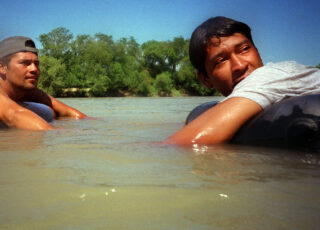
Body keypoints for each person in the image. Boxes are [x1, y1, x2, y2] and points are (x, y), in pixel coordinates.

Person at [166, 16, 320, 146]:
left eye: (245, 49)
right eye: (220, 61)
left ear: (258, 52)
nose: (239, 65)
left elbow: (181, 144)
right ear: (205, 79)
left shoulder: (272, 74)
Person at [0, 36, 88, 130]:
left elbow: (66, 112)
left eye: (36, 64)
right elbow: (12, 115)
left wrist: (94, 128)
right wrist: (60, 137)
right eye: (25, 63)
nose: (34, 69)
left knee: (50, 111)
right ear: (2, 68)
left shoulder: (27, 91)